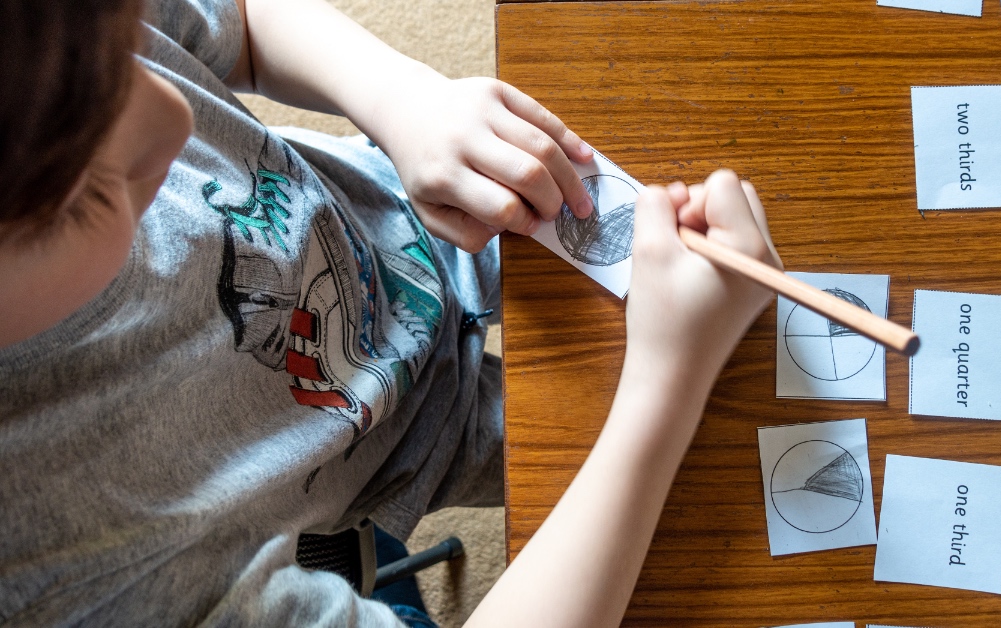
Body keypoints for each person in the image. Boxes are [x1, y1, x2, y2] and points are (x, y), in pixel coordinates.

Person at [0, 0, 781, 626]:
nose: (175, 117)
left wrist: (396, 94)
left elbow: (241, 19)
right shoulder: (51, 575)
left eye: (124, 56)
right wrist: (664, 384)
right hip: (403, 450)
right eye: (88, 190)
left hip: (403, 208)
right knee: (732, 439)